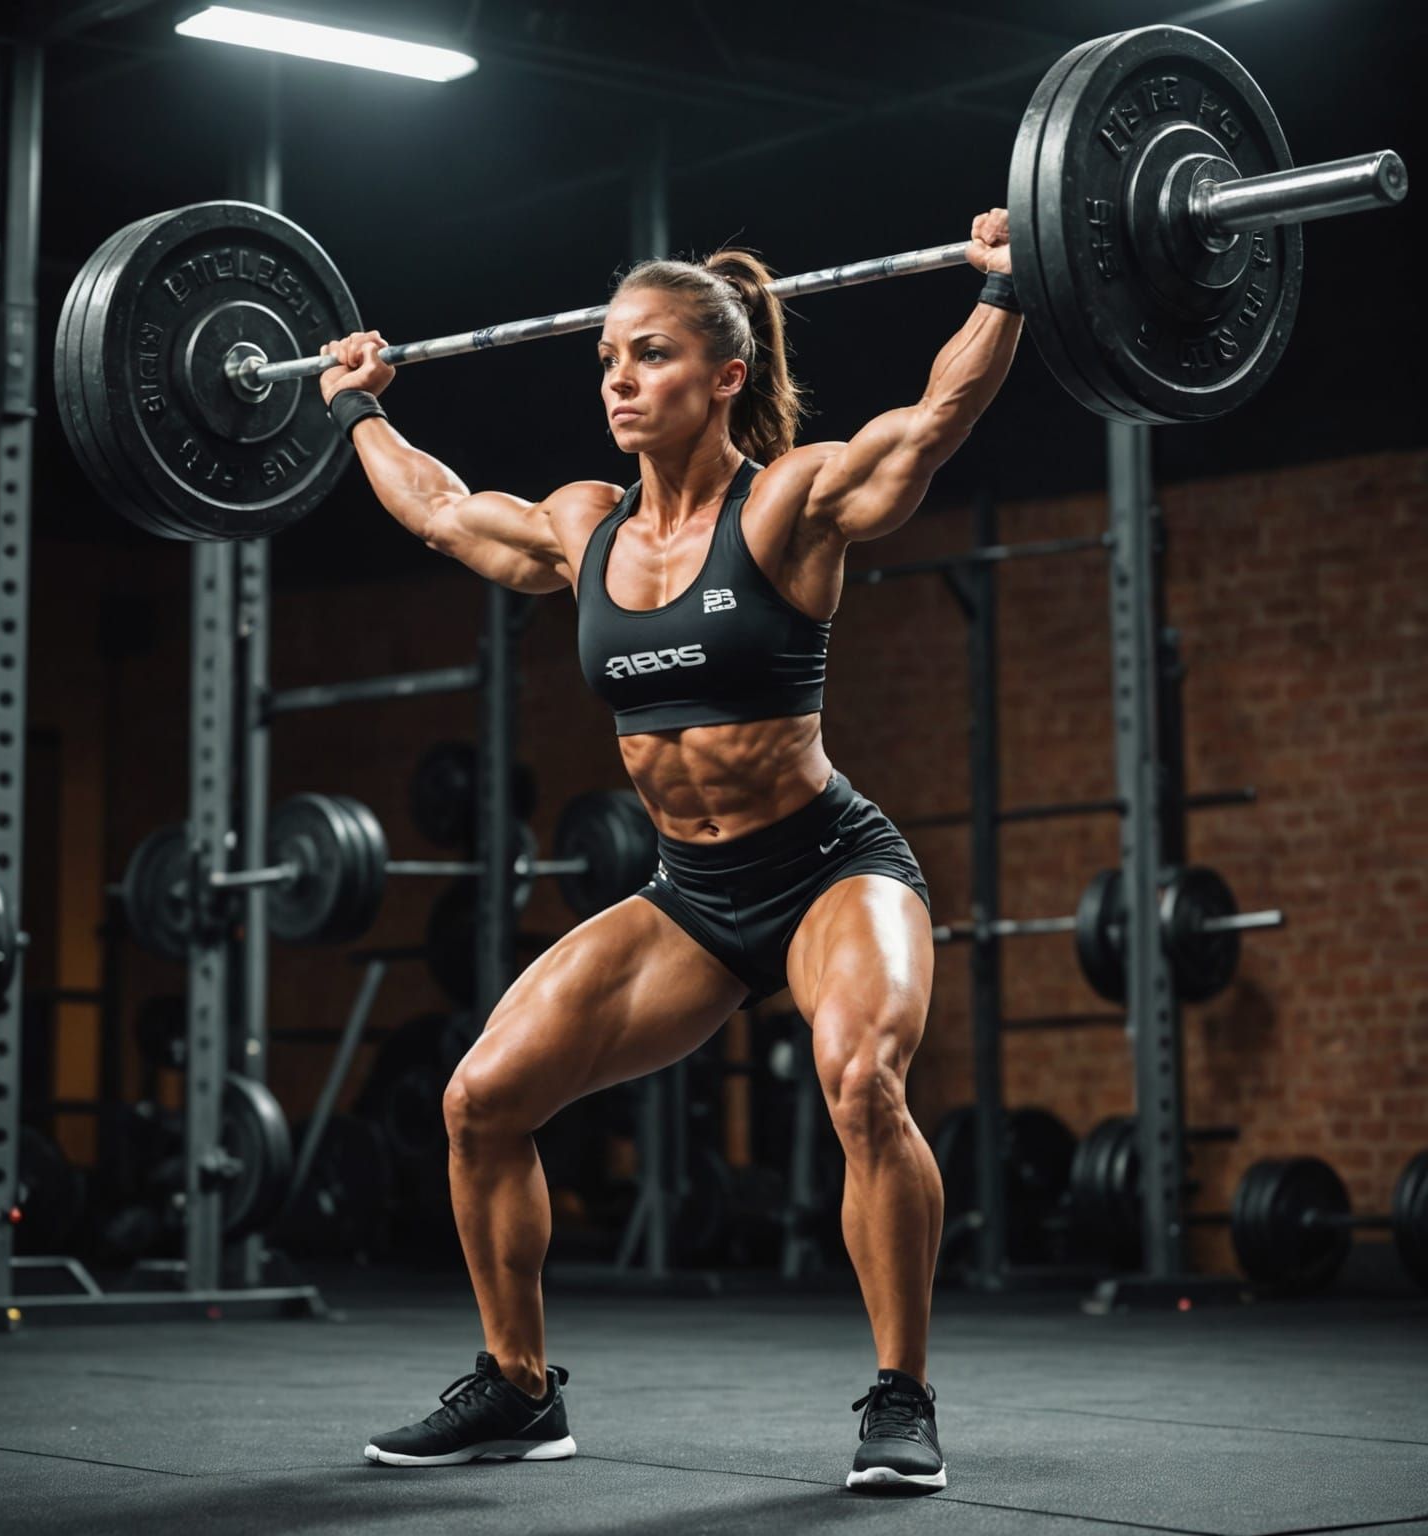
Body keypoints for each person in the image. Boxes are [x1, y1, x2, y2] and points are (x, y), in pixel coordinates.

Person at [323, 209, 1021, 1492]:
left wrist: (1011, 289)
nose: (619, 382)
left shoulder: (792, 504)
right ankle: (520, 1390)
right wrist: (357, 408)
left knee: (862, 1081)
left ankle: (901, 1401)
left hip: (829, 867)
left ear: (726, 377)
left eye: (649, 357)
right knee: (480, 1103)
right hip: (692, 897)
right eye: (606, 360)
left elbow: (931, 425)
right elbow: (441, 514)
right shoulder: (585, 526)